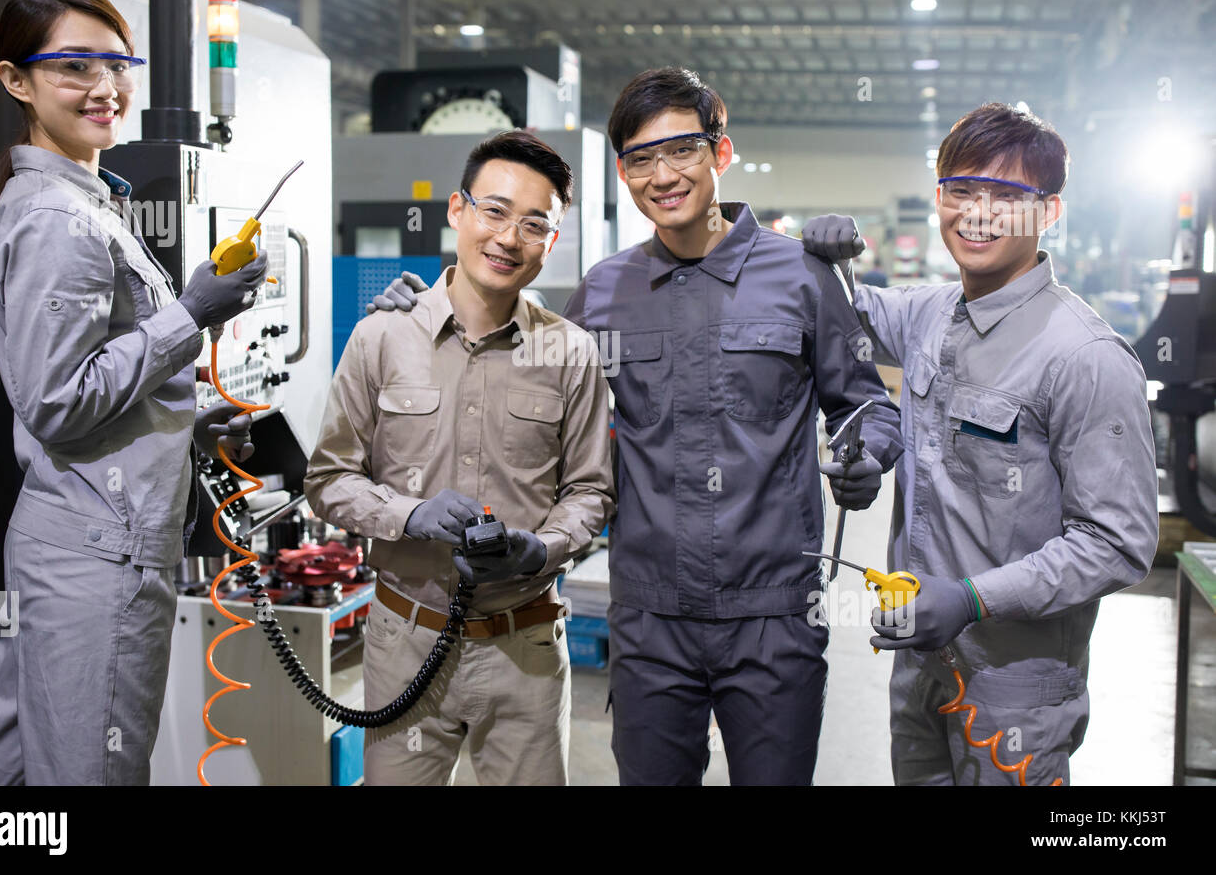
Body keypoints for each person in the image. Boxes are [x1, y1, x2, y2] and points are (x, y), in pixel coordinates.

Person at [369, 68, 904, 785]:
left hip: (773, 611)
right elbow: (512, 370)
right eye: (639, 159)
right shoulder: (605, 291)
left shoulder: (803, 276)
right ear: (622, 172)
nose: (662, 175)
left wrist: (865, 455)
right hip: (651, 620)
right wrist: (431, 302)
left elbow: (866, 403)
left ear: (721, 152)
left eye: (680, 150)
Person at [0, 0, 267, 785]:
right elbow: (59, 402)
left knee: (13, 776)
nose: (105, 87)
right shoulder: (60, 218)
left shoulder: (78, 203)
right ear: (16, 81)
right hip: (100, 557)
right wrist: (191, 313)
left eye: (117, 63)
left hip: (67, 540)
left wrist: (185, 413)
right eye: (73, 65)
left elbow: (94, 384)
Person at [802, 102, 1158, 785]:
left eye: (1008, 196)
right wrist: (821, 259)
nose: (979, 212)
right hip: (919, 663)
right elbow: (841, 312)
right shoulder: (930, 313)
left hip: (1013, 684)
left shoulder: (1085, 357)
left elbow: (1118, 543)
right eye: (961, 190)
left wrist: (970, 598)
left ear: (1049, 211)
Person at [304, 131, 615, 785]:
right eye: (494, 211)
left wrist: (545, 546)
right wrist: (410, 515)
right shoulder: (380, 336)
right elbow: (328, 480)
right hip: (404, 641)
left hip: (524, 646)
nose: (508, 238)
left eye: (535, 225)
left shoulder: (573, 353)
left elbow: (590, 491)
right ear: (457, 210)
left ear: (552, 242)